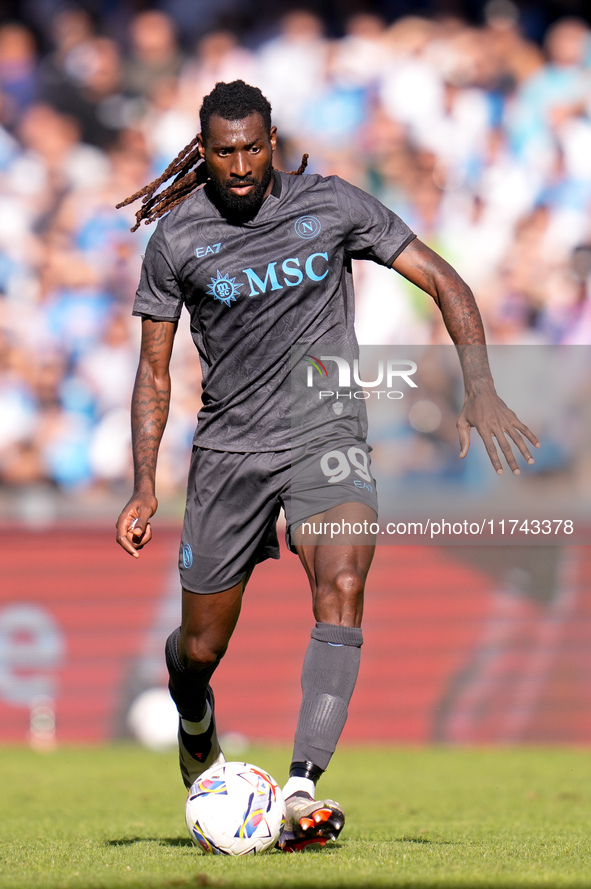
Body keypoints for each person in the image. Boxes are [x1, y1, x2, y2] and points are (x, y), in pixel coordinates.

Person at [115, 80, 539, 851]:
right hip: (229, 453)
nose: (239, 164)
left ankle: (301, 789)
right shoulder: (177, 239)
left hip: (326, 427)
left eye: (251, 148)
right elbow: (153, 373)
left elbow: (445, 280)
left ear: (271, 142)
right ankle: (192, 710)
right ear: (201, 151)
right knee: (200, 648)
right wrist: (144, 483)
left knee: (342, 584)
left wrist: (478, 386)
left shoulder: (334, 205)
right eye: (223, 151)